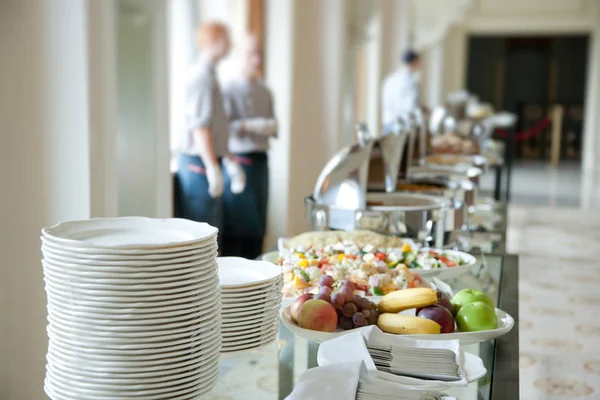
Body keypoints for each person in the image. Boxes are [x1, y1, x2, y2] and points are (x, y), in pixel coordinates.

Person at [175, 22, 246, 245]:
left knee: (213, 232)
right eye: (226, 39)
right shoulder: (201, 77)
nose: (230, 45)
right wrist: (213, 167)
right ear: (214, 42)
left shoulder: (210, 75)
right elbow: (200, 127)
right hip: (199, 165)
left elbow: (215, 126)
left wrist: (227, 158)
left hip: (206, 161)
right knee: (202, 237)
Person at [221, 34, 277, 259]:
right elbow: (224, 127)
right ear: (239, 56)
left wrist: (257, 126)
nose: (256, 60)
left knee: (257, 225)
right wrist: (255, 125)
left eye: (260, 54)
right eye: (251, 54)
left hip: (261, 161)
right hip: (238, 160)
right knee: (237, 225)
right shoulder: (229, 89)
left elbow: (274, 126)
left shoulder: (265, 91)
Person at [381, 49, 423, 134]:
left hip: (388, 122)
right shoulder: (409, 80)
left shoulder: (391, 78)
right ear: (414, 62)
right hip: (402, 124)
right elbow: (411, 105)